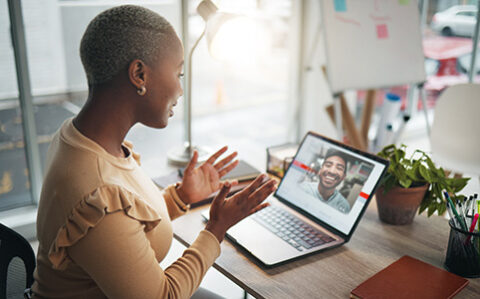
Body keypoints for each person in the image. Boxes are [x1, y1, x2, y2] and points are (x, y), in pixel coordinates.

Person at [32, 5, 277, 299]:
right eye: (179, 73)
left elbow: (126, 217)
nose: (181, 90)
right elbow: (164, 296)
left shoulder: (80, 137)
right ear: (139, 74)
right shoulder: (95, 190)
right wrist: (216, 228)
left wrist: (180, 196)